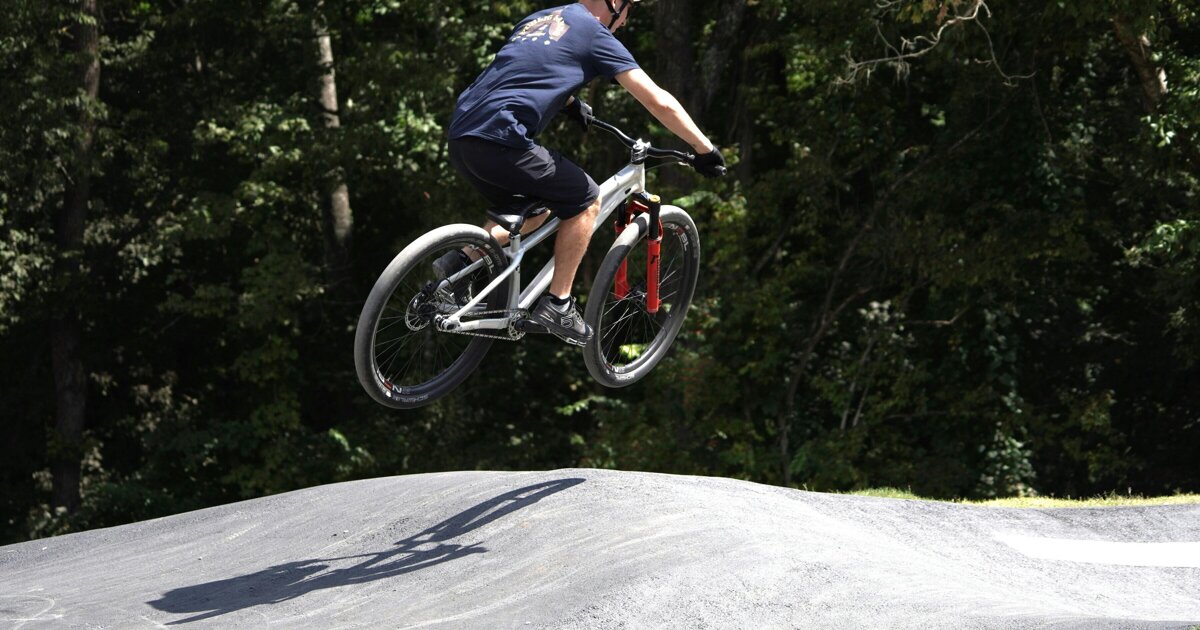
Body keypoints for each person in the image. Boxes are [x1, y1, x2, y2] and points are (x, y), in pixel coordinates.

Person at [438, 0, 726, 346]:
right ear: (615, 4)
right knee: (587, 199)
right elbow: (658, 102)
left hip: (462, 137)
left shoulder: (539, 19)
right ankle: (559, 304)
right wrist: (704, 148)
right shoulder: (594, 31)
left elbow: (526, 71)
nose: (626, 21)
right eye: (629, 10)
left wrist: (570, 103)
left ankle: (457, 265)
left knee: (536, 210)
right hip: (503, 140)